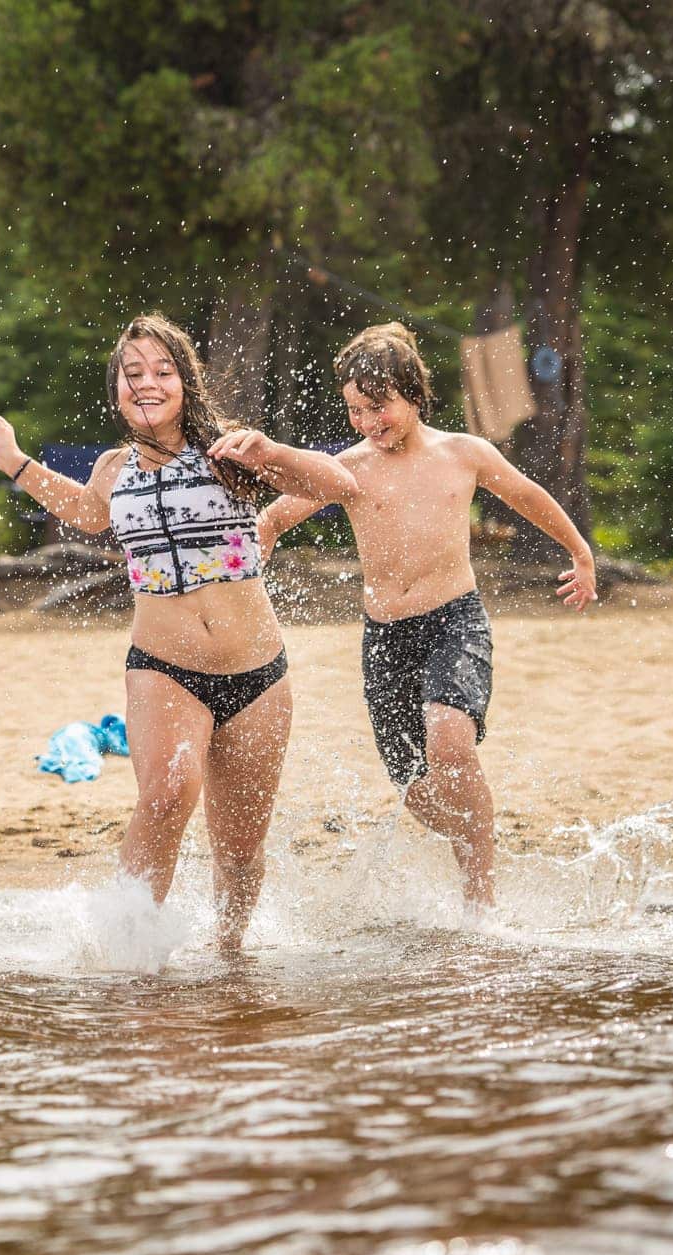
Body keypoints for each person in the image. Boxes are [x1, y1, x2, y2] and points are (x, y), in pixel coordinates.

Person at [0, 313, 357, 954]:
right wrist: (14, 463)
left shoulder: (232, 450)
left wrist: (272, 453)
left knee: (238, 848)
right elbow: (89, 513)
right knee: (171, 790)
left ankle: (229, 956)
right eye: (132, 374)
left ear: (186, 381)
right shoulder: (113, 467)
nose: (146, 384)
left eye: (162, 371)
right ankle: (129, 954)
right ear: (116, 390)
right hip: (162, 666)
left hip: (258, 675)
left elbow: (341, 486)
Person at [213, 322, 596, 911]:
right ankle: (473, 835)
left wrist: (579, 552)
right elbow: (275, 518)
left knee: (450, 743)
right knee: (416, 792)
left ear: (413, 393)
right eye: (356, 411)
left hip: (455, 622)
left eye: (380, 406)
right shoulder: (349, 468)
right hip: (385, 639)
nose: (369, 422)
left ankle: (480, 893)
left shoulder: (464, 453)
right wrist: (250, 554)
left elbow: (526, 496)